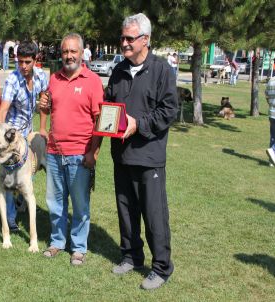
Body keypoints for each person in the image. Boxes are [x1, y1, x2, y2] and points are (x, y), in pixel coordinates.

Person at [105, 13, 178, 290]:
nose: (123, 42)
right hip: (121, 155)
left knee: (154, 214)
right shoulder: (119, 70)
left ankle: (161, 267)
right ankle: (131, 256)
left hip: (149, 157)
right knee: (126, 210)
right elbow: (110, 103)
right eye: (122, 37)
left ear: (145, 40)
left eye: (129, 38)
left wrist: (139, 125)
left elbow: (169, 110)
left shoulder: (161, 70)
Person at [39, 33, 103, 265]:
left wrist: (93, 153)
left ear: (81, 53)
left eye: (73, 51)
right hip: (55, 152)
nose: (68, 56)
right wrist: (43, 128)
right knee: (55, 203)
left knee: (80, 204)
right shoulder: (54, 78)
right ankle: (57, 242)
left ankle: (78, 247)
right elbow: (45, 106)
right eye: (65, 51)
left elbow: (100, 120)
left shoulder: (93, 81)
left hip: (80, 154)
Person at [0, 41, 49, 231]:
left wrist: (42, 129)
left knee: (27, 172)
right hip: (12, 135)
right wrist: (1, 136)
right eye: (20, 62)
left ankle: (21, 202)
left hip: (29, 132)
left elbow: (44, 104)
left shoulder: (42, 77)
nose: (23, 66)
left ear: (36, 60)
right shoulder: (12, 80)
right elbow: (3, 110)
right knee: (9, 176)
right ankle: (10, 220)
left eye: (27, 62)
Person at [265, 77, 275, 166]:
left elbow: (267, 96)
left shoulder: (271, 81)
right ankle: (273, 150)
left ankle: (271, 161)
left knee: (273, 137)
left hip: (272, 112)